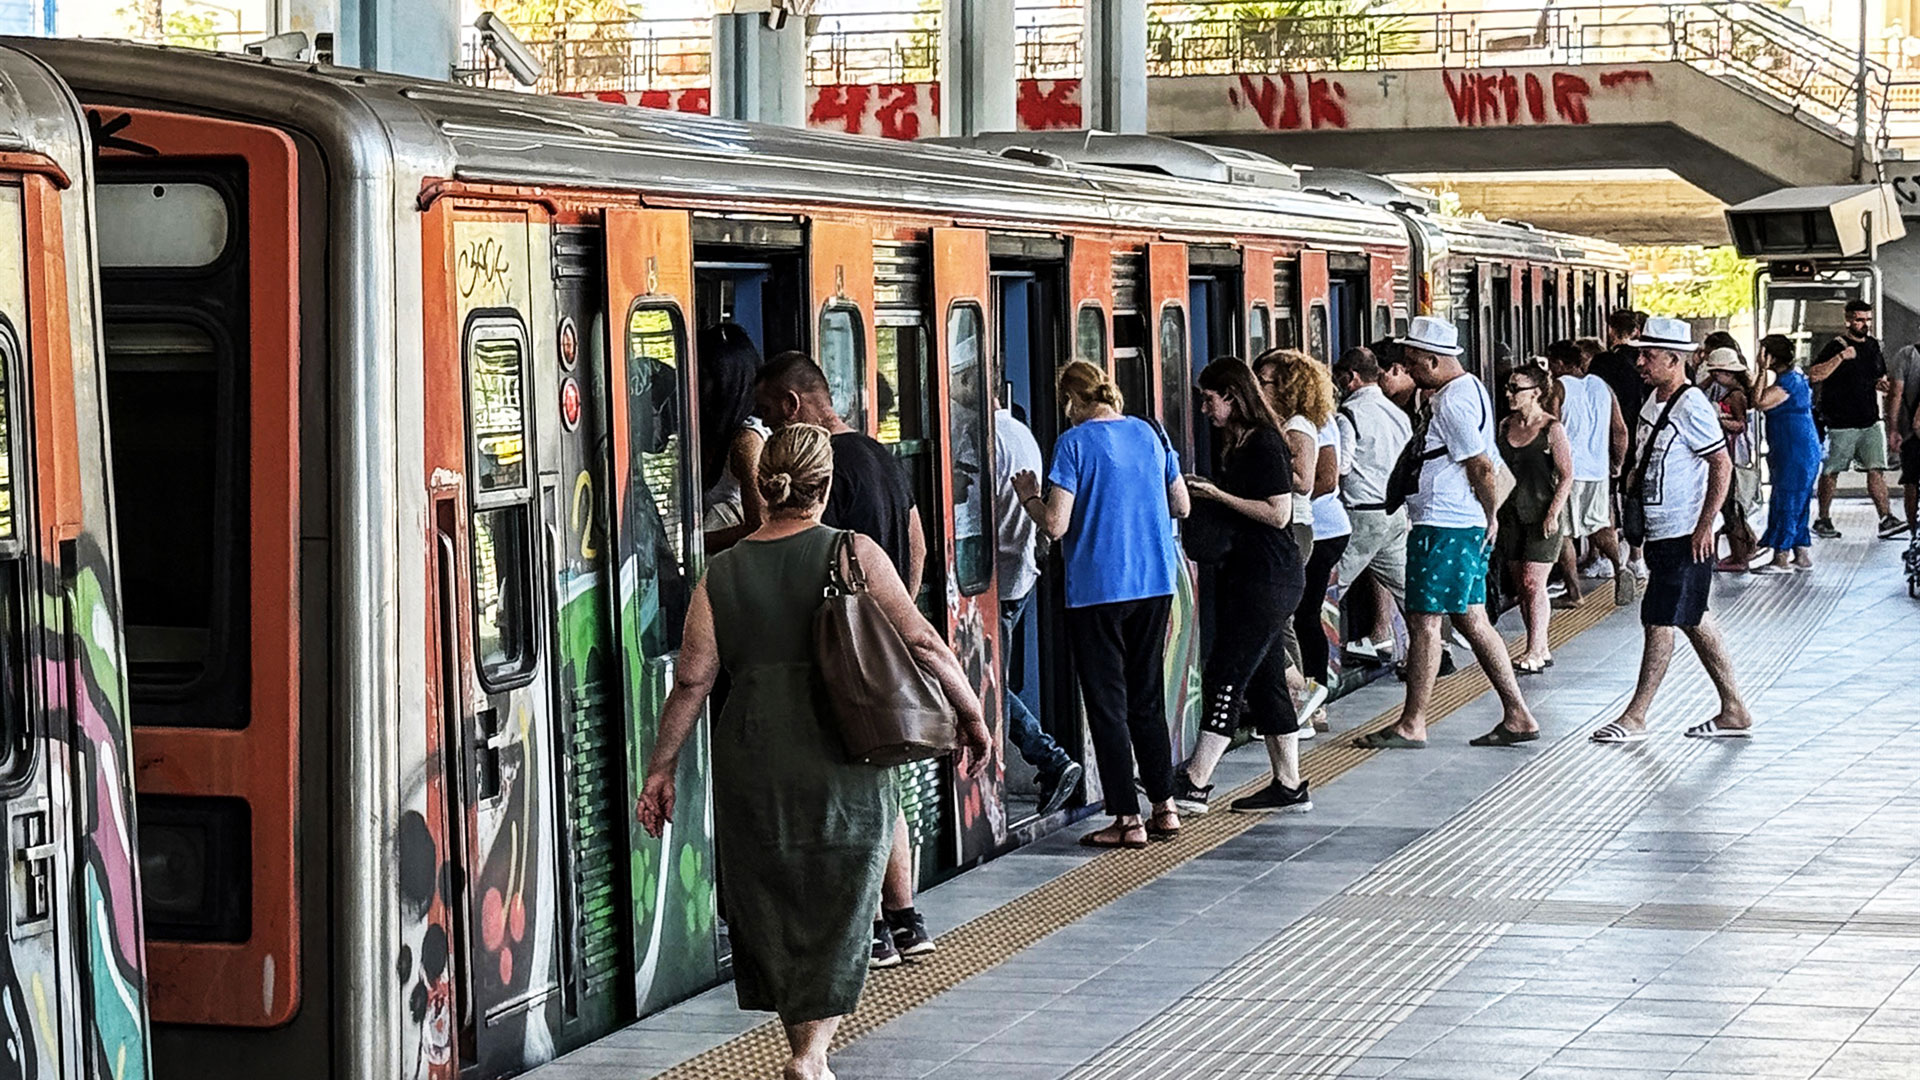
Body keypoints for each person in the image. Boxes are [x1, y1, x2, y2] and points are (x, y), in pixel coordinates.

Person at [634, 424, 991, 1080]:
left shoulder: (725, 569)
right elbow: (926, 644)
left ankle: (803, 1047)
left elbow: (691, 681)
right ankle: (812, 1054)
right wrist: (972, 716)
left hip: (752, 759)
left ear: (766, 486)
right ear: (825, 488)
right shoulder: (853, 553)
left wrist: (661, 767)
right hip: (842, 755)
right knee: (842, 899)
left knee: (778, 898)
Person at [753, 352, 934, 968]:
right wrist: (895, 617)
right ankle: (906, 921)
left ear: (791, 406)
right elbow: (917, 542)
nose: (768, 432)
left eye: (769, 417)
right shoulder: (880, 454)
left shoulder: (824, 473)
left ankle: (873, 929)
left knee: (851, 796)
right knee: (885, 786)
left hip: (838, 662)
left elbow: (803, 549)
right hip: (880, 654)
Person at [1011, 360, 1190, 849]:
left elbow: (1055, 525)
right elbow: (1182, 505)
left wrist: (1029, 496)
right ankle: (1166, 807)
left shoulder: (1073, 444)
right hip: (1154, 584)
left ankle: (1127, 821)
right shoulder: (1152, 433)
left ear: (1072, 401)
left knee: (1108, 707)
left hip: (1097, 592)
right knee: (1146, 700)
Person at [1352, 317, 1539, 750]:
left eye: (1414, 363)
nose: (1409, 370)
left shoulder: (1452, 403)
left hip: (1445, 525)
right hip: (1457, 523)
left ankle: (1413, 723)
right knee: (1472, 619)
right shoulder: (1470, 387)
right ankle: (1517, 713)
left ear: (1434, 361)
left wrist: (1490, 513)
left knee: (1424, 622)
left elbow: (1480, 465)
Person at [1589, 318, 1753, 742]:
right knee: (1695, 618)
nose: (1639, 361)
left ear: (1673, 359)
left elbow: (1721, 464)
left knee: (1658, 619)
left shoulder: (1692, 405)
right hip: (1663, 531)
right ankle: (1733, 708)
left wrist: (1704, 526)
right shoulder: (1653, 402)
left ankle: (1636, 716)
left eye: (1648, 355)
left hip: (1685, 532)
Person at [1173, 359, 1312, 814]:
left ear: (1232, 397)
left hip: (1267, 578)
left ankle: (1196, 781)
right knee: (1267, 680)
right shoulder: (1241, 442)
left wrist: (1216, 495)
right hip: (1256, 576)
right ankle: (1289, 785)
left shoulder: (1265, 443)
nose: (1205, 408)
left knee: (1225, 674)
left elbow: (1279, 513)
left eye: (1211, 399)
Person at [993, 393, 1084, 816]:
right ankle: (1050, 760)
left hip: (997, 576)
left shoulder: (985, 437)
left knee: (988, 686)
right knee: (995, 680)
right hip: (1020, 571)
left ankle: (1050, 758)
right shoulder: (1021, 432)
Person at [1252, 349, 1336, 727]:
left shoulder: (1298, 426)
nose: (1257, 386)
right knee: (1279, 617)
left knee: (1279, 618)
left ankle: (1301, 698)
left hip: (1294, 528)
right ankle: (1298, 698)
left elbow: (1304, 481)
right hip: (1289, 528)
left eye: (1264, 381)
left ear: (1286, 386)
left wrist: (1266, 469)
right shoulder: (1285, 423)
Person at [1333, 346, 1413, 664]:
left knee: (1328, 587)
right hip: (1394, 513)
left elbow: (1341, 466)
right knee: (1409, 592)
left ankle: (1319, 666)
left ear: (1351, 378)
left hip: (1361, 514)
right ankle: (1434, 652)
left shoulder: (1348, 414)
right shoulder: (1397, 414)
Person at [1496, 364, 1574, 674]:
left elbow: (1567, 475)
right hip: (1510, 515)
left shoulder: (1551, 429)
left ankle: (1535, 649)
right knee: (1521, 586)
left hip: (1543, 515)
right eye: (1509, 387)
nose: (1509, 393)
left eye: (1516, 388)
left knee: (1533, 581)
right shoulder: (1504, 426)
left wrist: (1553, 513)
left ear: (1536, 393)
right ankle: (1539, 645)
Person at [1545, 338, 1631, 605]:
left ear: (1560, 363)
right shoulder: (1602, 386)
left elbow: (1550, 429)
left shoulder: (1559, 387)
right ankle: (1620, 568)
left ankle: (1574, 593)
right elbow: (1620, 430)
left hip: (1567, 471)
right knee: (1600, 524)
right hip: (1598, 470)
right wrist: (1616, 463)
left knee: (1564, 532)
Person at [1810, 299, 1902, 540]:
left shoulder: (1873, 346)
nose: (1864, 324)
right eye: (1860, 320)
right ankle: (1823, 518)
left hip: (1870, 419)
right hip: (1841, 422)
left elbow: (1876, 375)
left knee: (1876, 469)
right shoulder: (1835, 346)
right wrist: (1841, 357)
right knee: (1831, 471)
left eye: (1868, 320)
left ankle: (1886, 517)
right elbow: (1815, 374)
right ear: (1848, 320)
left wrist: (1881, 384)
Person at [698, 322, 770, 551]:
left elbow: (760, 524)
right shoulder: (719, 434)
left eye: (703, 376)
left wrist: (697, 543)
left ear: (726, 380)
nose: (696, 386)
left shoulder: (746, 441)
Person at [1589, 309, 1650, 581]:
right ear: (1637, 331)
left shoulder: (1603, 363)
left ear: (1611, 330)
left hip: (1605, 438)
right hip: (1641, 433)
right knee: (1633, 496)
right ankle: (1637, 558)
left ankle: (1603, 558)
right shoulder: (1644, 360)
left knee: (1608, 499)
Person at [1754, 334, 1822, 574]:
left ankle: (1781, 556)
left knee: (1788, 498)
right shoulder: (1794, 378)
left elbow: (1759, 401)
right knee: (1798, 498)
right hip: (1799, 446)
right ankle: (1801, 552)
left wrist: (1761, 371)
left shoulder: (1789, 382)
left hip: (1794, 448)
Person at [1699, 347, 1761, 572]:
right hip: (1730, 453)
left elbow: (1740, 424)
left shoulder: (1735, 395)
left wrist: (1718, 419)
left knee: (1731, 508)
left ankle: (1739, 555)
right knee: (1727, 509)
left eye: (1717, 373)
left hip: (1733, 456)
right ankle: (1737, 554)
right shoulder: (1727, 391)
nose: (1714, 377)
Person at [1891, 337, 1920, 535]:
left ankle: (1914, 537)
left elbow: (1896, 393)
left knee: (1911, 483)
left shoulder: (1907, 355)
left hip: (1911, 433)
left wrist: (1893, 428)